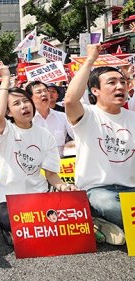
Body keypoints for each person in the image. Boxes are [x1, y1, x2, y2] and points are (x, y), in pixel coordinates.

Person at [0, 66, 76, 247]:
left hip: (39, 196)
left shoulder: (45, 136)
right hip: (8, 199)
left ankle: (24, 232)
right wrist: (5, 79)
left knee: (74, 205)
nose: (24, 106)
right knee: (5, 217)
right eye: (16, 104)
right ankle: (16, 229)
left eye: (25, 101)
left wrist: (63, 186)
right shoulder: (4, 130)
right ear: (9, 112)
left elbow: (51, 175)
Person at [64, 44, 135, 245]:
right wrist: (89, 60)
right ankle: (99, 217)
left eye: (123, 82)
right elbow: (69, 100)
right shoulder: (87, 115)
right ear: (95, 90)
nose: (120, 87)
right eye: (111, 82)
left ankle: (108, 225)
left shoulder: (133, 118)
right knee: (107, 204)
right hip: (98, 191)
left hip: (131, 189)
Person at [26, 81, 74, 157]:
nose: (44, 94)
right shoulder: (25, 120)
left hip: (60, 164)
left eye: (45, 91)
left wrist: (71, 144)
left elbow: (77, 136)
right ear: (30, 98)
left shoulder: (63, 117)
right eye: (39, 92)